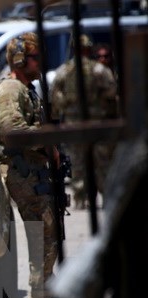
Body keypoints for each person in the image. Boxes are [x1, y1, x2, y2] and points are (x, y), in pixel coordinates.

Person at [0, 32, 62, 298]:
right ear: (20, 59)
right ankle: (40, 297)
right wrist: (48, 138)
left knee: (47, 229)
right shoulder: (11, 89)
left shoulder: (25, 88)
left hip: (31, 171)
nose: (40, 62)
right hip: (21, 171)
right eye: (35, 57)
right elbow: (13, 132)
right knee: (43, 230)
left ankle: (46, 291)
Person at [50, 35, 118, 209]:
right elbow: (112, 91)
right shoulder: (99, 70)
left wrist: (68, 104)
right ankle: (108, 198)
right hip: (97, 124)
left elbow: (55, 96)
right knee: (102, 163)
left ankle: (81, 200)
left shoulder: (64, 71)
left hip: (74, 126)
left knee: (78, 164)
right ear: (89, 49)